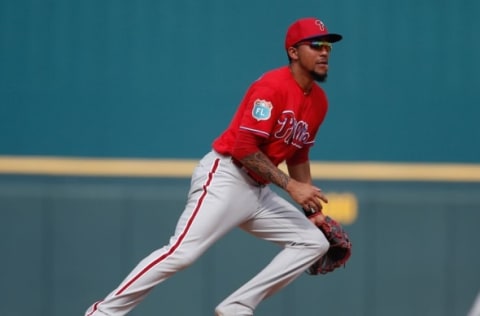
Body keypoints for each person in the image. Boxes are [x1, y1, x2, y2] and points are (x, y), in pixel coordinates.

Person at [85, 16, 343, 316]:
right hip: (227, 177)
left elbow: (298, 155)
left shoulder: (319, 101)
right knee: (182, 253)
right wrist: (289, 186)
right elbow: (244, 148)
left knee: (313, 241)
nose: (324, 52)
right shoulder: (271, 87)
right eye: (316, 45)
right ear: (293, 52)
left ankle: (236, 307)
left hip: (258, 190)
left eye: (328, 47)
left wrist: (314, 212)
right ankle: (102, 312)